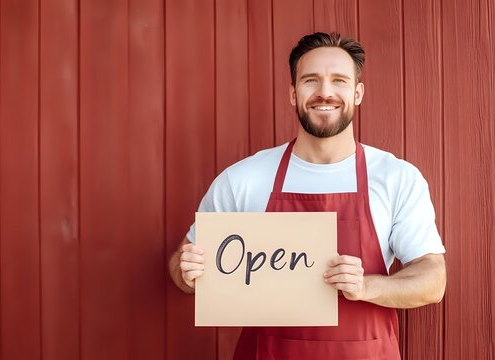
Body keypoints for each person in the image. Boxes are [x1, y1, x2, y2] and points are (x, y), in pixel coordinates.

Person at [168, 32, 447, 359]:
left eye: (339, 80)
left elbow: (433, 278)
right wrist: (186, 272)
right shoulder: (243, 179)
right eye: (311, 80)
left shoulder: (396, 178)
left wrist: (366, 287)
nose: (325, 92)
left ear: (357, 93)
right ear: (293, 93)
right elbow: (182, 268)